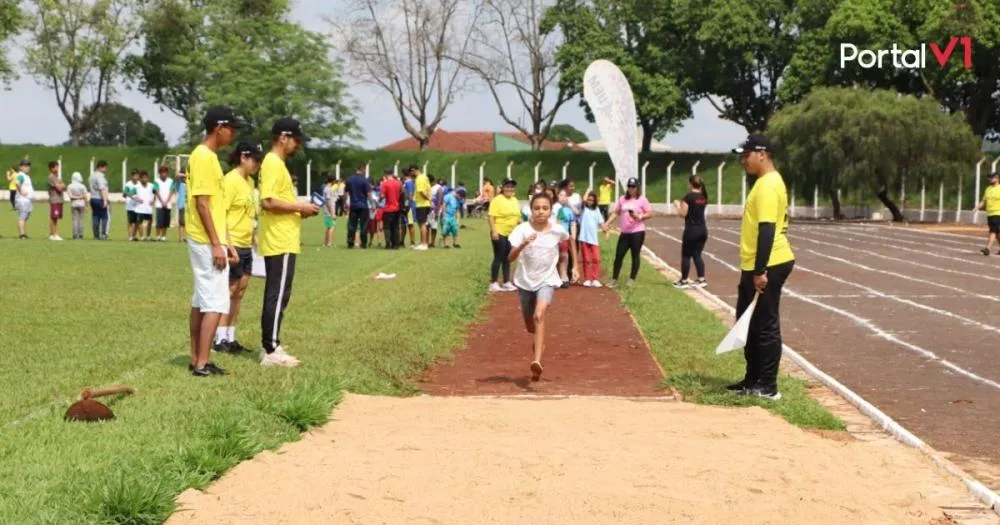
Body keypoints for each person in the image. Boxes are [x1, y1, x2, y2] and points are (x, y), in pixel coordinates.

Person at [729, 133, 795, 400]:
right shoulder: (762, 183)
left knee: (765, 325)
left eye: (746, 155)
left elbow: (767, 230)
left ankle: (768, 386)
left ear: (762, 154)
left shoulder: (768, 184)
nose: (742, 160)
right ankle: (752, 379)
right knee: (748, 323)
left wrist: (759, 271)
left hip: (769, 263)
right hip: (755, 263)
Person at [258, 117, 321, 367]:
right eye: (295, 139)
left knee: (280, 294)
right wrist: (299, 206)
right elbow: (268, 202)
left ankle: (271, 343)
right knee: (277, 294)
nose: (297, 145)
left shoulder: (277, 164)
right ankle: (270, 349)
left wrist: (298, 211)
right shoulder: (273, 163)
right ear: (283, 137)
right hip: (279, 239)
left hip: (283, 237)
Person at [185, 106, 241, 377]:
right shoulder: (205, 158)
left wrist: (225, 240)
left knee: (201, 299)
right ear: (218, 127)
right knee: (216, 302)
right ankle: (202, 363)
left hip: (207, 237)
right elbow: (203, 205)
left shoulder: (206, 157)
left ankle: (196, 356)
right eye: (231, 127)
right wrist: (217, 244)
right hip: (205, 239)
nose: (233, 133)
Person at [508, 191, 569, 382]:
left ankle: (537, 361)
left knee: (539, 314)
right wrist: (523, 244)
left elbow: (568, 244)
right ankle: (538, 342)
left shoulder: (557, 230)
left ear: (551, 210)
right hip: (525, 281)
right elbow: (510, 258)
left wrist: (568, 270)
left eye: (545, 208)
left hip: (547, 279)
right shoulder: (522, 230)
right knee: (530, 325)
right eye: (536, 208)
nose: (540, 212)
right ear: (530, 210)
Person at [215, 140, 264, 354]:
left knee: (240, 291)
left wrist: (254, 237)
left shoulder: (250, 182)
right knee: (229, 290)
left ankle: (231, 336)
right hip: (232, 243)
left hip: (246, 243)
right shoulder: (230, 181)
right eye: (255, 160)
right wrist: (227, 244)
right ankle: (219, 338)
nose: (257, 165)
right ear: (243, 157)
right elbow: (221, 214)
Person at [602, 177, 652, 287]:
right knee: (619, 255)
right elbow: (616, 212)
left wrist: (639, 216)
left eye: (633, 186)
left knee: (635, 255)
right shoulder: (622, 199)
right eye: (629, 186)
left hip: (637, 232)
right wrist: (607, 222)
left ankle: (632, 279)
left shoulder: (642, 200)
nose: (631, 189)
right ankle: (614, 279)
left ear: (637, 187)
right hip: (625, 232)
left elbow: (649, 213)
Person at [672, 175, 709, 288]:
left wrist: (677, 205)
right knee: (697, 255)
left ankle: (684, 281)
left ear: (690, 184)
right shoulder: (703, 197)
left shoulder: (688, 197)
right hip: (703, 229)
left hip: (692, 230)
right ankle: (701, 279)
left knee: (686, 255)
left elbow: (683, 214)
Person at [488, 178, 521, 292]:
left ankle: (506, 281)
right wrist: (494, 231)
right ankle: (493, 282)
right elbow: (491, 216)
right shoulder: (497, 200)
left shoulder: (515, 200)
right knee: (499, 256)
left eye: (512, 187)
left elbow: (517, 217)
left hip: (511, 234)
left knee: (508, 258)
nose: (510, 189)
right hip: (499, 232)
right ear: (503, 188)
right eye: (507, 186)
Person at [578, 190, 605, 287]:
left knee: (596, 258)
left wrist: (605, 229)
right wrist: (588, 191)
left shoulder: (596, 210)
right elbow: (583, 200)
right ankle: (587, 279)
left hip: (594, 239)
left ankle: (595, 279)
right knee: (586, 259)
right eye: (588, 200)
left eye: (592, 200)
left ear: (595, 201)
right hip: (584, 238)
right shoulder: (584, 208)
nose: (589, 202)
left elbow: (601, 222)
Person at [345, 166, 372, 248]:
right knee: (364, 225)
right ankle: (363, 243)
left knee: (352, 225)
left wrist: (345, 203)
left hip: (353, 205)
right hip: (363, 205)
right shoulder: (365, 181)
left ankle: (350, 243)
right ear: (363, 170)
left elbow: (345, 193)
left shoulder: (349, 179)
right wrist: (372, 203)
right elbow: (368, 194)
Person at [978, 171, 1000, 255]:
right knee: (997, 233)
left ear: (997, 178)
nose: (990, 179)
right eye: (990, 178)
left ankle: (987, 248)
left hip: (998, 213)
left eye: (992, 177)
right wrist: (977, 208)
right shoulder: (988, 189)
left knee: (993, 231)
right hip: (990, 214)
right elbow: (984, 201)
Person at [380, 167, 403, 249]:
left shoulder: (385, 184)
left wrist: (380, 198)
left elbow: (382, 196)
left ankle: (388, 243)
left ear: (385, 174)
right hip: (397, 207)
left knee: (387, 227)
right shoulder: (398, 183)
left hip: (388, 208)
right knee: (396, 226)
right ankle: (396, 244)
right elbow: (401, 193)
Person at [153, 165, 176, 241]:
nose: (163, 174)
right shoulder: (156, 181)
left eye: (165, 172)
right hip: (159, 204)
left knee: (166, 222)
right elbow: (156, 191)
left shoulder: (170, 181)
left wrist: (167, 201)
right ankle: (158, 236)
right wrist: (162, 202)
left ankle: (163, 236)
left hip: (168, 204)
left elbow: (171, 191)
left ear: (167, 173)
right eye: (162, 172)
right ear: (159, 173)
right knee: (159, 221)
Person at [89, 160, 110, 240]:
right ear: (101, 167)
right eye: (105, 168)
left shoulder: (92, 175)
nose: (106, 170)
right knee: (104, 217)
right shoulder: (100, 176)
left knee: (95, 217)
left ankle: (96, 235)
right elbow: (102, 188)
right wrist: (105, 200)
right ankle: (103, 234)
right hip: (99, 198)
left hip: (93, 198)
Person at [412, 166, 432, 250]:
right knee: (423, 224)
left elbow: (421, 192)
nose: (411, 174)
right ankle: (423, 243)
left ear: (414, 170)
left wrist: (428, 198)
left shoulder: (419, 179)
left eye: (411, 172)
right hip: (426, 204)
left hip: (421, 204)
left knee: (422, 224)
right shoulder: (425, 177)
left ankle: (424, 244)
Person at [13, 159, 33, 239]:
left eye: (28, 165)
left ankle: (23, 233)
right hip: (22, 200)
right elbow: (17, 183)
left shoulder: (26, 176)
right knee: (22, 216)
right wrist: (21, 191)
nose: (27, 167)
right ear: (20, 167)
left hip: (27, 200)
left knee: (26, 216)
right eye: (25, 166)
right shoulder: (21, 175)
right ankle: (22, 234)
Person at [46, 161, 65, 241]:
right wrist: (62, 186)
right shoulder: (51, 177)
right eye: (56, 167)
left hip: (59, 200)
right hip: (55, 200)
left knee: (56, 218)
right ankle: (54, 234)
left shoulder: (56, 177)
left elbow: (64, 186)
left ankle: (53, 234)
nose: (57, 168)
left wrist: (62, 185)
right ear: (52, 168)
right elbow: (60, 187)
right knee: (54, 217)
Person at [134, 170, 155, 240]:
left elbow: (155, 193)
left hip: (148, 208)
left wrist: (153, 200)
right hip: (140, 208)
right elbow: (132, 194)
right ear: (140, 179)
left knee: (150, 222)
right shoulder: (137, 186)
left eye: (146, 177)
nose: (145, 179)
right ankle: (142, 237)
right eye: (143, 178)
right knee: (140, 222)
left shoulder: (151, 185)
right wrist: (137, 199)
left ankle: (148, 236)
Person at [67, 172, 88, 240]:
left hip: (74, 204)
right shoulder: (82, 186)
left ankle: (75, 234)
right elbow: (85, 196)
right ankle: (81, 234)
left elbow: (70, 196)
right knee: (81, 220)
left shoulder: (70, 186)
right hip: (82, 204)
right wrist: (86, 205)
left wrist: (76, 197)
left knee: (75, 220)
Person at [123, 169, 140, 241]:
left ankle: (134, 235)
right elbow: (125, 193)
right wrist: (130, 195)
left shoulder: (140, 184)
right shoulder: (128, 184)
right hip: (130, 206)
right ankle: (130, 236)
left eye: (137, 176)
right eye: (135, 176)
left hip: (138, 206)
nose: (136, 178)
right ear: (132, 176)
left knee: (137, 222)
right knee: (130, 222)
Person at [322, 173, 337, 248]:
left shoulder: (327, 188)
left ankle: (325, 242)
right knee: (331, 226)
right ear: (333, 181)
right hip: (329, 211)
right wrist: (332, 213)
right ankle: (329, 243)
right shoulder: (328, 189)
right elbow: (328, 202)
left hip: (327, 211)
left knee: (328, 227)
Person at [176, 171, 187, 242]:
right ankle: (181, 237)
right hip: (182, 205)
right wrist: (184, 175)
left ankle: (186, 237)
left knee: (187, 223)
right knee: (181, 222)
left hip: (189, 205)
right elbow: (177, 176)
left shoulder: (189, 183)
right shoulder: (179, 184)